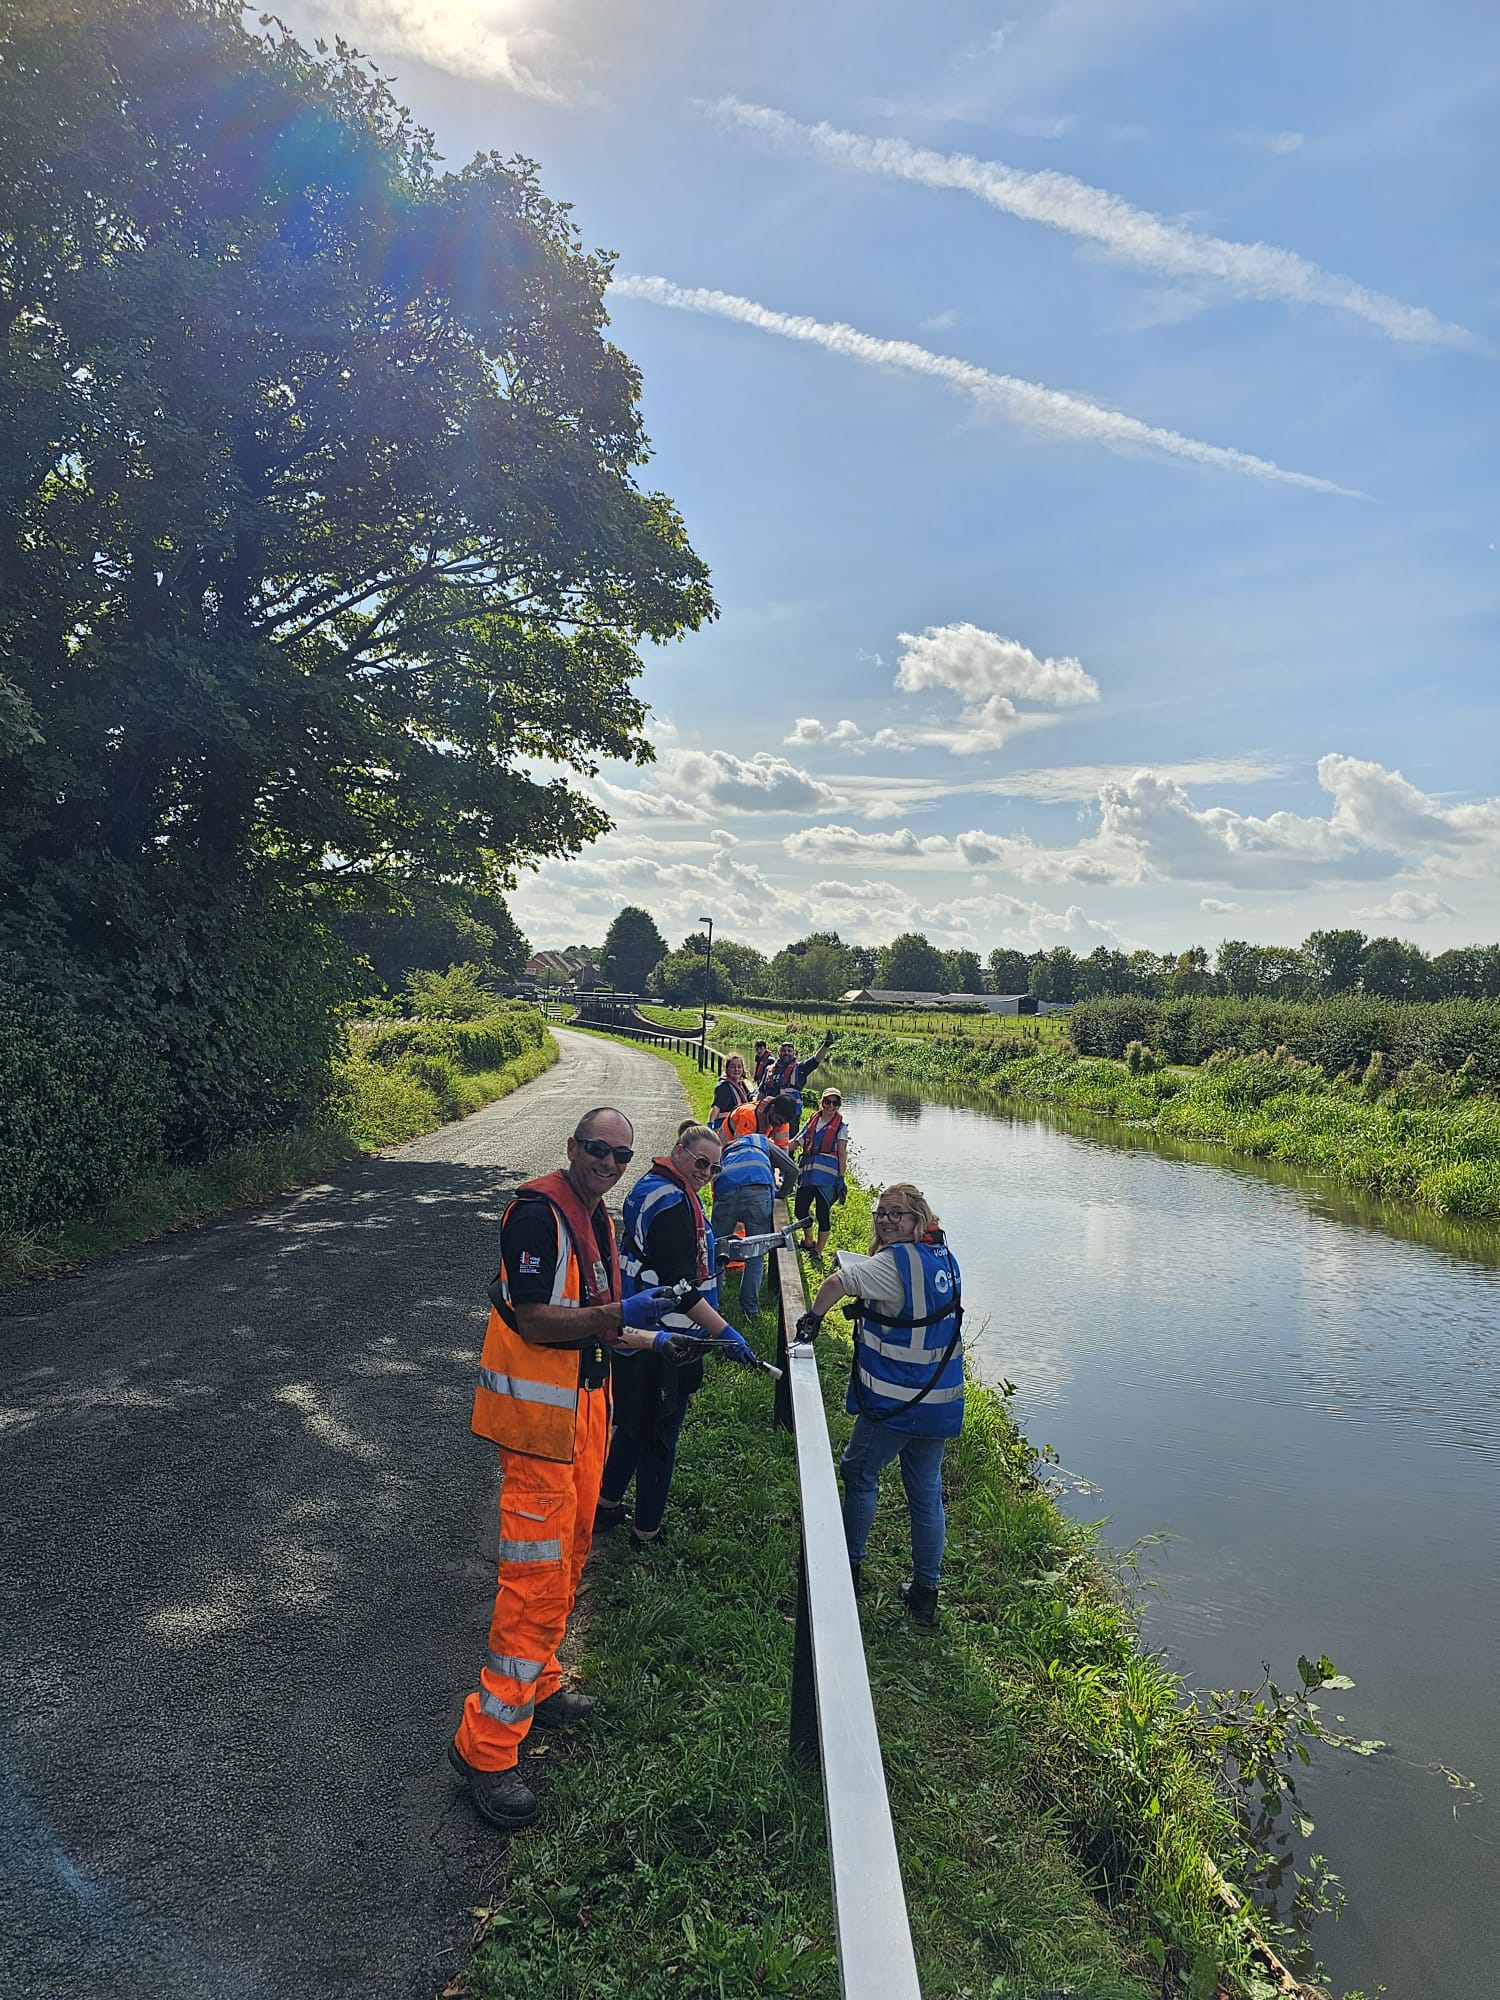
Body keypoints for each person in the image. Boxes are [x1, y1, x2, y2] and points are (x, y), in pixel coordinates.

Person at [450, 1107, 686, 1830]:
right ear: (574, 1148)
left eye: (621, 1156)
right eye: (598, 1151)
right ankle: (485, 1751)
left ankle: (542, 1684)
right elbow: (535, 1321)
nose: (609, 1164)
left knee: (572, 1559)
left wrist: (648, 1338)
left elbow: (598, 1319)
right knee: (532, 1585)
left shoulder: (595, 1216)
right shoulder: (537, 1214)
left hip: (583, 1418)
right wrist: (619, 1310)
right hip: (538, 1427)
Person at [795, 1183, 963, 1626]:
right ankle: (925, 1592)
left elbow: (836, 1282)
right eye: (881, 1213)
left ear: (917, 1220)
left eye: (897, 1214)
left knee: (860, 1473)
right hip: (938, 1401)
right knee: (926, 1493)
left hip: (894, 1401)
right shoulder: (942, 1257)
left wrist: (812, 1320)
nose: (887, 1220)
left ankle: (845, 1571)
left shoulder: (893, 1263)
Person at [597, 1123, 758, 1550]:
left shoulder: (658, 1186)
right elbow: (682, 1288)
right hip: (663, 1341)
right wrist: (725, 1333)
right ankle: (646, 1532)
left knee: (633, 1427)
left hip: (640, 1333)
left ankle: (606, 1503)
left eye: (714, 1167)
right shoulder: (672, 1204)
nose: (707, 1172)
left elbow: (667, 1254)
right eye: (700, 1162)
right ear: (679, 1152)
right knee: (659, 1438)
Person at [709, 1095, 799, 1318]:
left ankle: (711, 1308)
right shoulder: (761, 1139)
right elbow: (793, 1170)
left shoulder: (729, 1148)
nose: (778, 1127)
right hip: (758, 1193)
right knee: (756, 1253)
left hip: (726, 1189)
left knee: (717, 1250)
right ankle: (749, 1311)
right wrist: (780, 1194)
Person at [792, 1087, 848, 1264]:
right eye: (827, 1102)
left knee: (822, 1213)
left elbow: (842, 1153)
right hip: (808, 1174)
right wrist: (772, 1147)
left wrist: (841, 1178)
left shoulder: (841, 1127)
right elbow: (796, 1142)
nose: (831, 1106)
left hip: (827, 1179)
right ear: (821, 1102)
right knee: (800, 1210)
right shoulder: (812, 1121)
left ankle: (818, 1251)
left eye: (835, 1103)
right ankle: (808, 1240)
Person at [758, 1029, 834, 1101]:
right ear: (778, 1053)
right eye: (783, 1051)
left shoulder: (799, 1068)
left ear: (794, 1053)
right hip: (770, 1109)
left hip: (789, 1112)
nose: (786, 1053)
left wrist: (825, 1045)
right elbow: (762, 1092)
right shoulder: (768, 1069)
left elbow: (815, 1060)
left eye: (789, 1051)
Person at [709, 1052, 753, 1133]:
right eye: (732, 1067)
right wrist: (711, 1124)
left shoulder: (740, 1085)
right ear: (727, 1069)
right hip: (724, 1126)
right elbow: (716, 1107)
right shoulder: (724, 1086)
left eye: (739, 1067)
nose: (736, 1069)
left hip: (736, 1125)